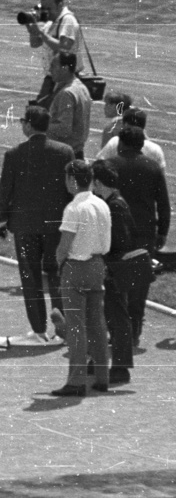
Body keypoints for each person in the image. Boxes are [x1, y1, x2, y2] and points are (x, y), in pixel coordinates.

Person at [0, 107, 75, 345]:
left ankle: (38, 330)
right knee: (57, 275)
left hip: (25, 226)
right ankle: (63, 329)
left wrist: (0, 221)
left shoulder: (14, 154)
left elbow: (5, 190)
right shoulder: (64, 151)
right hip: (56, 225)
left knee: (30, 277)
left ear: (28, 125)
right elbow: (71, 187)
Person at [105, 127, 170, 348]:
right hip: (144, 232)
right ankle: (133, 333)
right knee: (139, 286)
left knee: (114, 285)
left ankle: (117, 332)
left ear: (120, 143)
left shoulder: (111, 165)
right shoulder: (152, 167)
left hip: (115, 230)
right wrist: (162, 231)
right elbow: (163, 203)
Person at [52, 159, 112, 397]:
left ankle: (76, 380)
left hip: (76, 266)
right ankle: (101, 376)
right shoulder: (101, 204)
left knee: (76, 326)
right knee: (97, 323)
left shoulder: (73, 208)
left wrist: (59, 264)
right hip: (98, 264)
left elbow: (64, 245)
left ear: (72, 179)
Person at [90, 162, 140, 387]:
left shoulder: (115, 206)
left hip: (114, 271)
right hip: (114, 269)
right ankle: (102, 360)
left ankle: (120, 367)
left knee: (117, 318)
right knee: (111, 316)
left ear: (98, 183)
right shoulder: (114, 202)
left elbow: (119, 242)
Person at [23, 0, 80, 105]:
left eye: (49, 8)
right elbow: (34, 44)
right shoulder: (50, 22)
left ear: (60, 5)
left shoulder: (67, 20)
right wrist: (32, 27)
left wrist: (41, 33)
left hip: (63, 78)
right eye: (43, 8)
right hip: (53, 77)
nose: (46, 12)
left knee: (43, 111)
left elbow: (64, 47)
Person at [46, 52, 93, 157]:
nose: (50, 70)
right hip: (77, 151)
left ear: (65, 68)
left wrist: (41, 126)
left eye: (53, 66)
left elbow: (64, 129)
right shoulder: (81, 87)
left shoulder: (67, 93)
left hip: (63, 154)